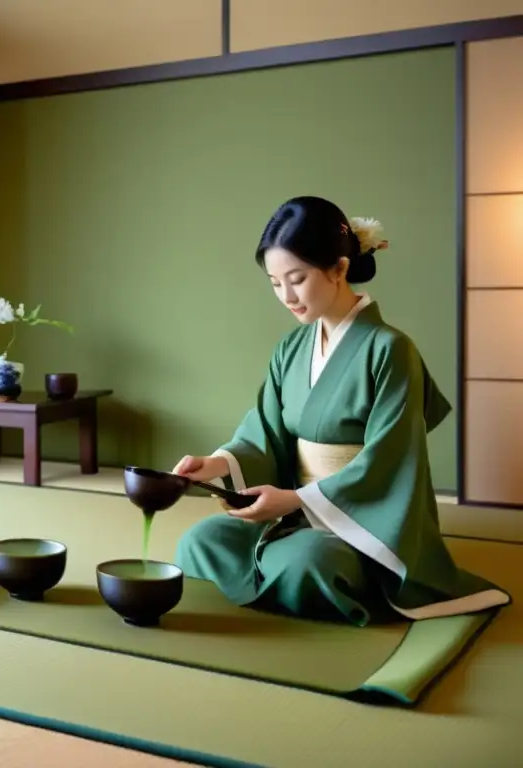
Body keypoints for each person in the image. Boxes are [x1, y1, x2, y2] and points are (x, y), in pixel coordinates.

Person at [173, 196, 510, 626]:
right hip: (294, 511)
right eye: (276, 283)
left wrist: (296, 499)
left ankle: (318, 578)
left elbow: (391, 462)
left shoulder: (391, 350)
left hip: (362, 524)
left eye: (297, 279)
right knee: (201, 541)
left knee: (310, 561)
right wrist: (216, 464)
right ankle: (284, 578)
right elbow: (265, 433)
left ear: (339, 268)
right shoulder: (291, 348)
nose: (287, 296)